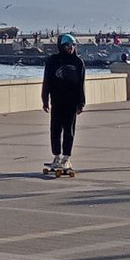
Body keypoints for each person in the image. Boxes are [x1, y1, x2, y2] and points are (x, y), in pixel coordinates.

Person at [41, 34, 88, 176]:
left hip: (72, 102)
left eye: (73, 45)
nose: (71, 48)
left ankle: (66, 157)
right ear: (61, 46)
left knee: (69, 130)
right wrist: (45, 99)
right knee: (55, 129)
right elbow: (47, 81)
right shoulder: (53, 61)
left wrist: (81, 102)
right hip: (56, 100)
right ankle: (56, 156)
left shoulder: (78, 62)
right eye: (68, 45)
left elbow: (81, 83)